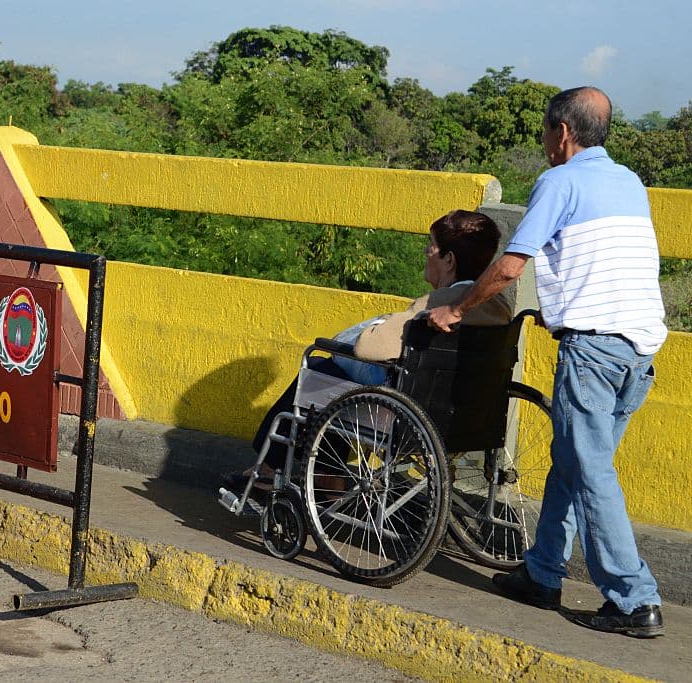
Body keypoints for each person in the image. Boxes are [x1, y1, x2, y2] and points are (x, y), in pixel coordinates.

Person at [429, 87, 666, 638]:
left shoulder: (559, 180)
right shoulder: (629, 181)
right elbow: (603, 263)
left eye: (543, 131)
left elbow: (512, 265)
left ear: (561, 132)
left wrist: (459, 309)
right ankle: (542, 573)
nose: (543, 142)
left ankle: (634, 599)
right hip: (639, 348)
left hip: (595, 349)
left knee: (591, 471)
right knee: (573, 458)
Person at [225, 210, 512, 492]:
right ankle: (327, 476)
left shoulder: (442, 304)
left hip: (408, 412)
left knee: (319, 371)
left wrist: (381, 324)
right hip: (469, 418)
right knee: (332, 381)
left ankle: (268, 470)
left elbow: (368, 347)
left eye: (431, 246)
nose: (425, 251)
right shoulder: (499, 309)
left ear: (448, 259)